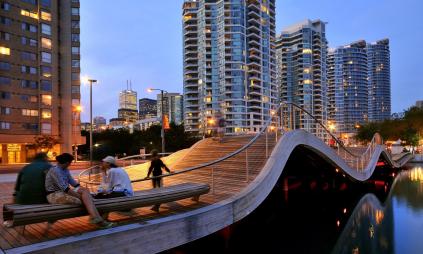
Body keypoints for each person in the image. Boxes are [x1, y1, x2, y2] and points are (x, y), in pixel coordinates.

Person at [45, 153, 113, 228]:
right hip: (54, 195)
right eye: (70, 163)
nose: (70, 165)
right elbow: (65, 188)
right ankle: (97, 219)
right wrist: (81, 197)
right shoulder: (55, 171)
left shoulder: (65, 170)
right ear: (67, 162)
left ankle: (96, 218)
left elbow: (74, 183)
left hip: (64, 193)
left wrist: (84, 191)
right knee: (85, 200)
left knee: (85, 191)